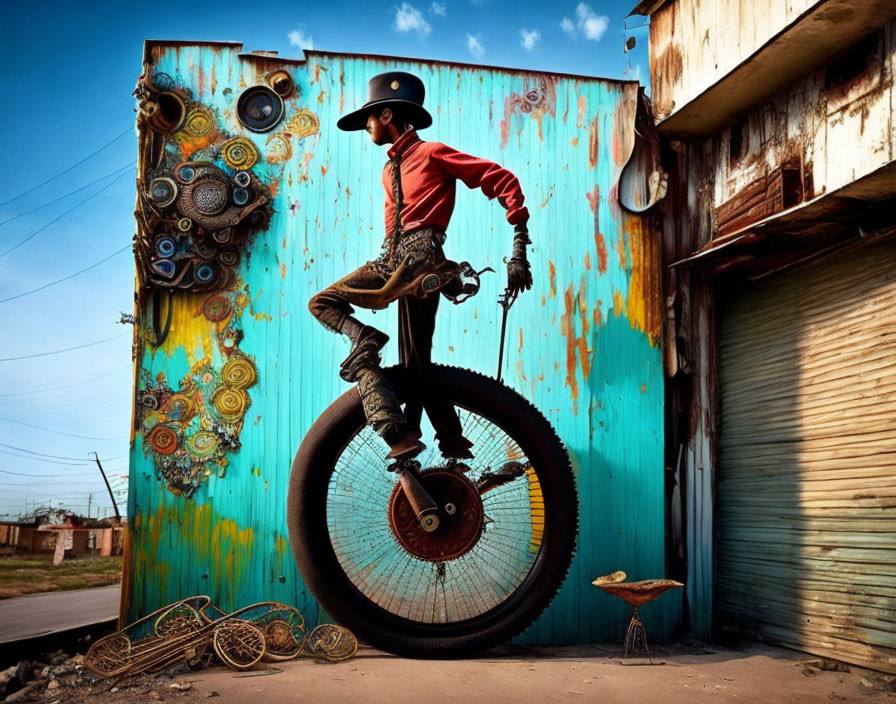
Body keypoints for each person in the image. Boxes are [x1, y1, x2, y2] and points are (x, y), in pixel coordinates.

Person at [309, 71, 532, 460]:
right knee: (404, 358)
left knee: (406, 357)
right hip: (389, 262)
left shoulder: (431, 153)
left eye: (370, 119)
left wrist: (518, 248)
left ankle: (434, 434)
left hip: (420, 261)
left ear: (389, 115)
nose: (366, 126)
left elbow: (499, 178)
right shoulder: (387, 168)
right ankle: (442, 437)